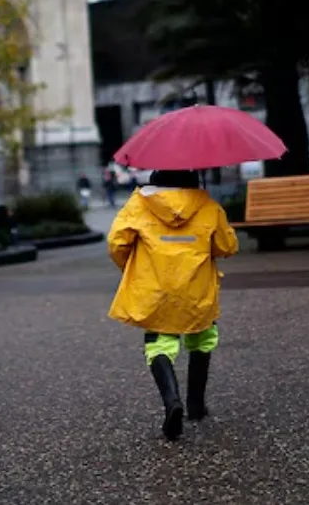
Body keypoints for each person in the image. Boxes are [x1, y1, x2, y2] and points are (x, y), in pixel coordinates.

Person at [106, 169, 239, 441]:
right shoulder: (207, 205)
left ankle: (172, 402)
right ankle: (196, 405)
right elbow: (227, 246)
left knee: (159, 344)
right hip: (196, 288)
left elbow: (116, 243)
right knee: (202, 337)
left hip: (156, 287)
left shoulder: (139, 204)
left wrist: (132, 267)